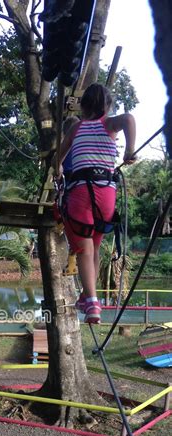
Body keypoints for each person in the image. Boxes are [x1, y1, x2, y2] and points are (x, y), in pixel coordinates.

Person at [57, 83, 136, 324]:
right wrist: (129, 150)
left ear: (83, 107)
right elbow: (129, 119)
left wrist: (58, 169)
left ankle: (92, 305)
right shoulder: (109, 124)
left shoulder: (77, 128)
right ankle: (86, 295)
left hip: (81, 192)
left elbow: (57, 158)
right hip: (106, 196)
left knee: (84, 249)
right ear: (107, 106)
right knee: (95, 247)